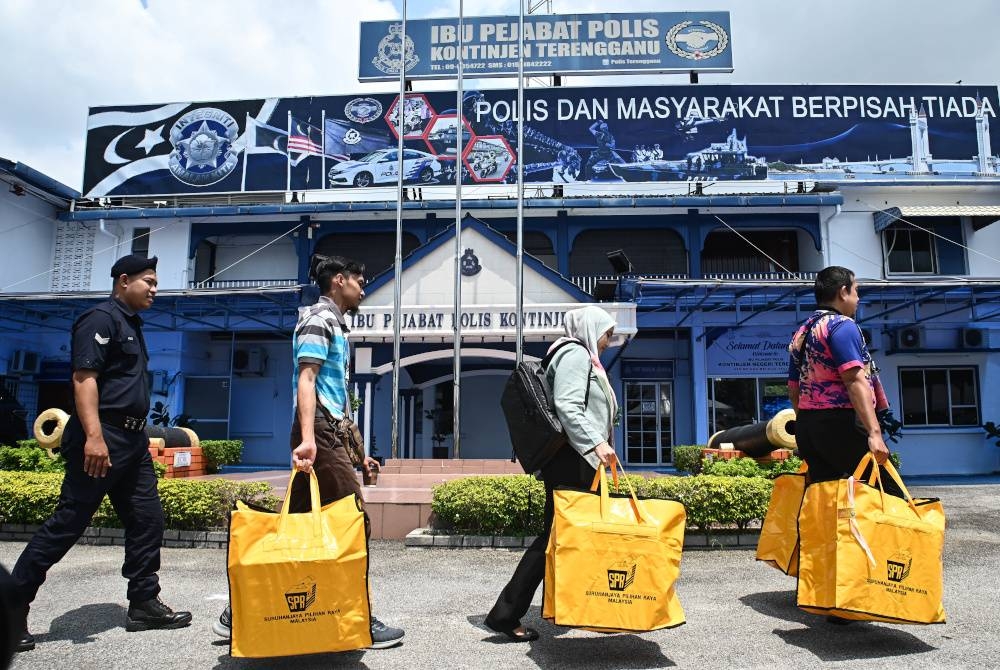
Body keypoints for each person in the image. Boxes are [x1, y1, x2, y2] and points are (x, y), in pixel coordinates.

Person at [213, 255, 404, 649]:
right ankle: (362, 617)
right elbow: (307, 379)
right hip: (317, 433)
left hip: (327, 432)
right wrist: (307, 439)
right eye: (359, 280)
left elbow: (334, 398)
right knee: (355, 521)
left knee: (296, 521)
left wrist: (356, 451)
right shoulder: (318, 319)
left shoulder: (335, 323)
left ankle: (238, 611)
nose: (363, 288)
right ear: (339, 280)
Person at [10, 255, 192, 653]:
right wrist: (94, 437)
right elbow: (84, 380)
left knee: (148, 519)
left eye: (156, 282)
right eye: (149, 281)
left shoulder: (131, 324)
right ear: (123, 281)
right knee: (67, 524)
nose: (155, 289)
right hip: (102, 437)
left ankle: (143, 603)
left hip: (132, 442)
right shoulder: (99, 319)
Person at [485, 305, 619, 642]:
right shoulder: (575, 354)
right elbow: (569, 407)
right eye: (606, 332)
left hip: (574, 459)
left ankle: (565, 606)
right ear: (590, 328)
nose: (609, 340)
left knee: (563, 537)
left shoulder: (576, 354)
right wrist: (597, 444)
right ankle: (507, 613)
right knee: (555, 537)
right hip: (574, 460)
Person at [787, 265, 904, 499]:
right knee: (889, 494)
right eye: (856, 291)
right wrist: (874, 433)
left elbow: (793, 387)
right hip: (841, 425)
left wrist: (808, 426)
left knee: (830, 502)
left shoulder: (803, 331)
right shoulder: (841, 326)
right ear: (843, 292)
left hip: (809, 427)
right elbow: (854, 379)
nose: (858, 298)